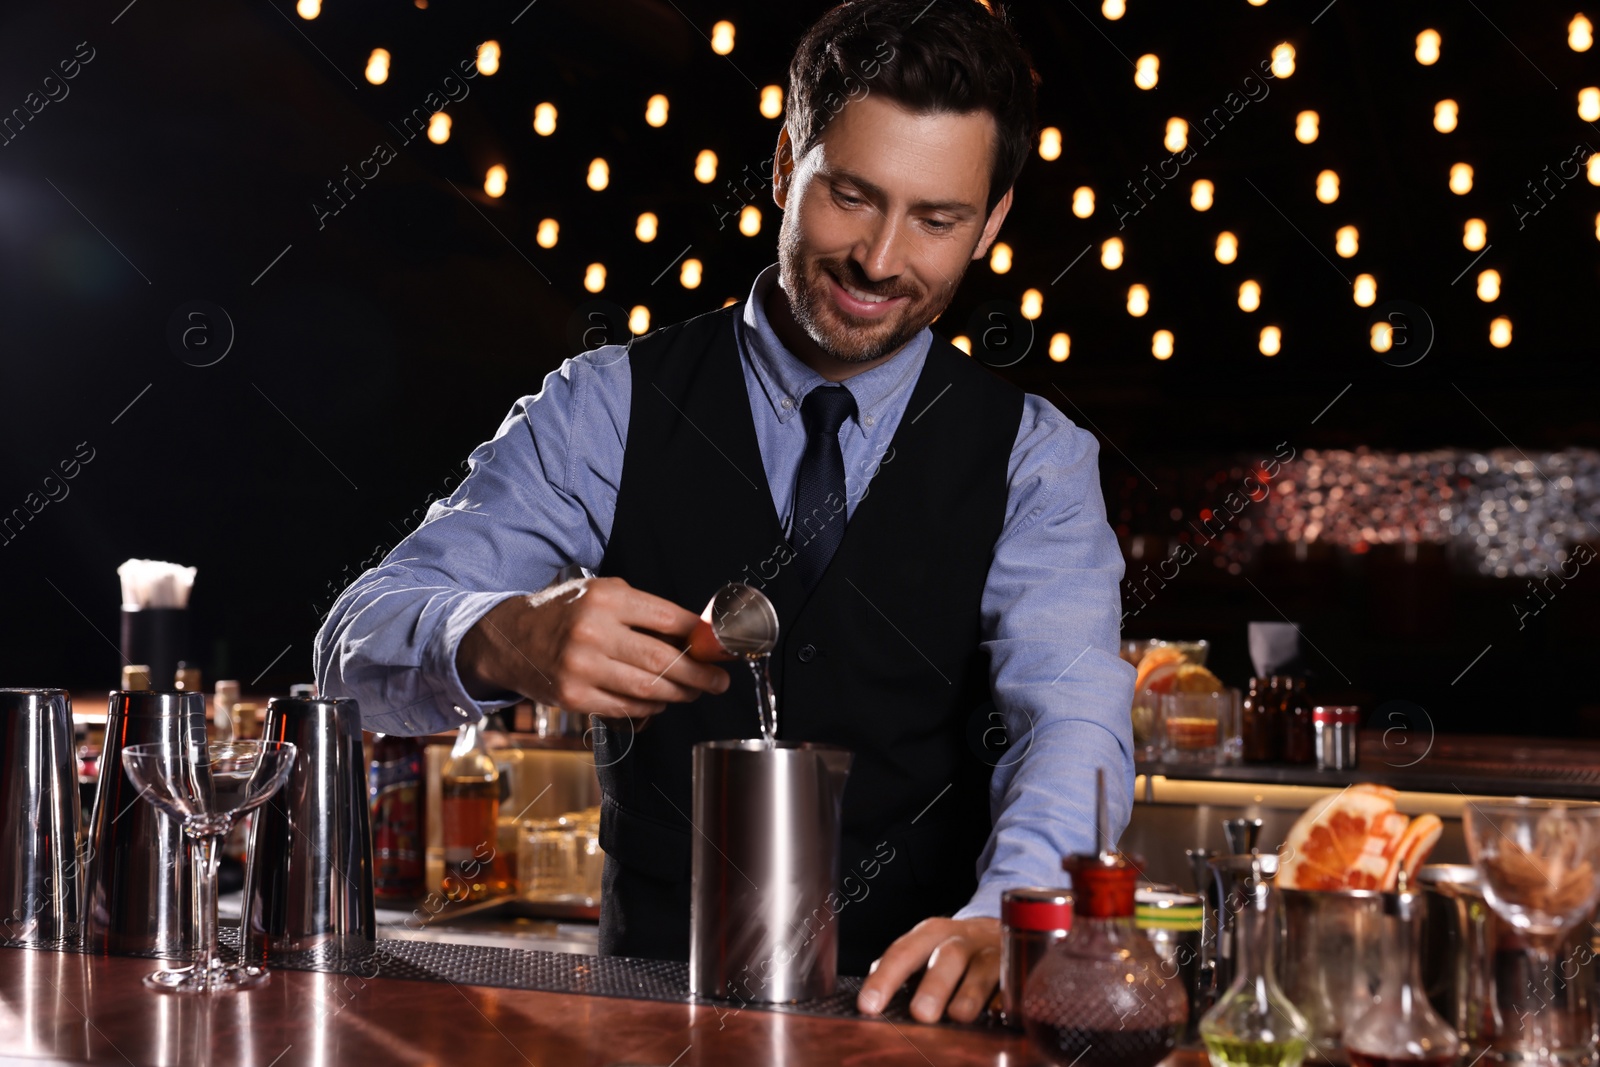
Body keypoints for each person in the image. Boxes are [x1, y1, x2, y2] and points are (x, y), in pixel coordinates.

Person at [316, 0, 1134, 1025]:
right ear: (787, 164)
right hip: (649, 1019)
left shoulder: (1033, 457)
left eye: (936, 220)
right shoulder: (606, 404)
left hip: (922, 1031)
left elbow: (1071, 721)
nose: (880, 259)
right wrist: (499, 636)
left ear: (993, 221)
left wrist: (1013, 911)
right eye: (851, 196)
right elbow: (351, 644)